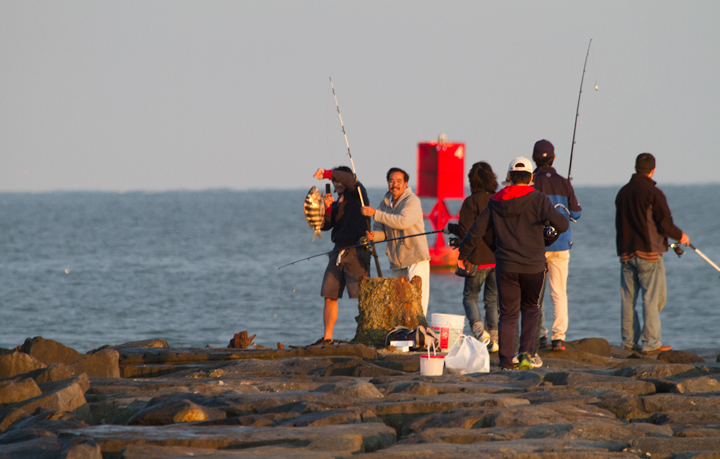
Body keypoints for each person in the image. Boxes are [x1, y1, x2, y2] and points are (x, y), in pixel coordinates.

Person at [458, 156, 568, 370]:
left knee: (507, 314)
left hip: (506, 266)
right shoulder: (540, 199)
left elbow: (477, 230)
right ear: (530, 178)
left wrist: (463, 253)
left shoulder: (496, 200)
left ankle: (507, 361)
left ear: (509, 177)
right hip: (534, 266)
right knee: (531, 309)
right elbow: (562, 224)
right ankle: (526, 355)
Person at [615, 153, 688, 354]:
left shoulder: (622, 193)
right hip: (649, 253)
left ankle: (628, 341)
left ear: (636, 167)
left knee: (628, 299)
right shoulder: (653, 193)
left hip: (625, 252)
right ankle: (651, 343)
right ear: (652, 170)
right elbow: (664, 223)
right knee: (653, 298)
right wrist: (680, 236)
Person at [531, 139, 582, 351]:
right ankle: (558, 337)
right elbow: (577, 213)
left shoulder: (531, 181)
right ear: (553, 158)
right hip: (561, 245)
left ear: (534, 158)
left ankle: (539, 336)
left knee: (536, 295)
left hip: (536, 246)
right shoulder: (564, 182)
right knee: (559, 292)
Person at [312, 166, 371, 345]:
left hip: (357, 251)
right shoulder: (337, 202)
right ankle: (327, 337)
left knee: (362, 297)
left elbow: (349, 180)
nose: (337, 184)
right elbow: (326, 226)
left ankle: (367, 334)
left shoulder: (358, 192)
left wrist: (328, 173)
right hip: (337, 253)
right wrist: (327, 208)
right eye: (334, 181)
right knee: (329, 295)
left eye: (339, 180)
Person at [445, 161, 500, 351]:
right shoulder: (498, 199)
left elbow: (464, 230)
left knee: (470, 297)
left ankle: (478, 331)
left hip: (476, 259)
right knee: (492, 300)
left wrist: (449, 228)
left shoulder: (470, 201)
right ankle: (495, 338)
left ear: (472, 180)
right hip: (496, 259)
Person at [362, 168, 431, 315]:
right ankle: (402, 332)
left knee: (418, 300)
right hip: (396, 260)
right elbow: (383, 232)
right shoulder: (384, 203)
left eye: (399, 181)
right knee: (397, 300)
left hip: (415, 257)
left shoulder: (412, 201)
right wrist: (373, 236)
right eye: (391, 181)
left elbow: (403, 222)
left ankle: (420, 330)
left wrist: (375, 213)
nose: (395, 184)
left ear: (405, 184)